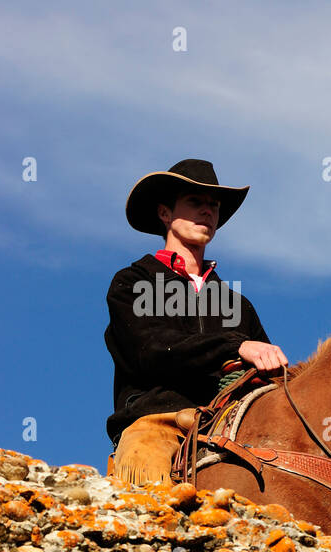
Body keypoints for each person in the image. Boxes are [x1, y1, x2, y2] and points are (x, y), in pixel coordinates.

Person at [104, 158, 288, 485]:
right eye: (196, 202)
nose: (208, 212)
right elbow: (151, 351)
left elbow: (268, 381)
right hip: (157, 422)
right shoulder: (132, 283)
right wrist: (234, 346)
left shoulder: (237, 304)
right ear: (164, 214)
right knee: (150, 481)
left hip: (234, 429)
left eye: (213, 206)